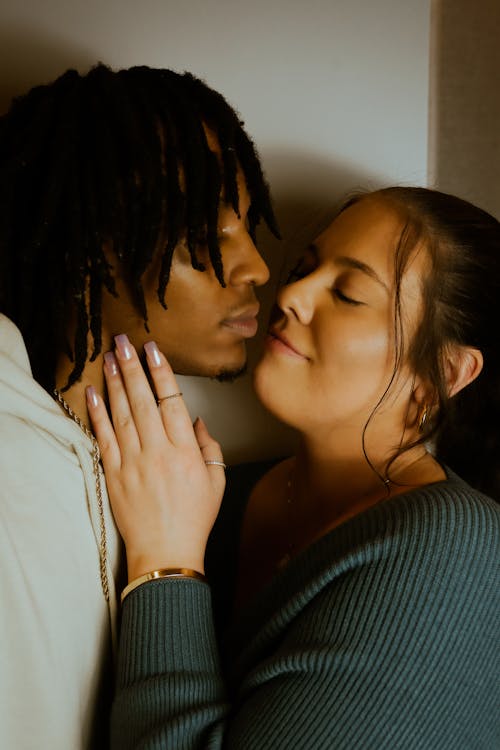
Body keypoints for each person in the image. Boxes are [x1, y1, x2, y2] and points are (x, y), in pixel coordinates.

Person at [89, 186, 499, 749]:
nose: (292, 294)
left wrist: (168, 563)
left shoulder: (456, 549)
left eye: (349, 293)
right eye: (305, 266)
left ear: (444, 374)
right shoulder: (210, 494)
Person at [0, 63, 278, 749]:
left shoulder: (165, 479)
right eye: (211, 234)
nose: (258, 270)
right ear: (94, 244)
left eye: (248, 225)